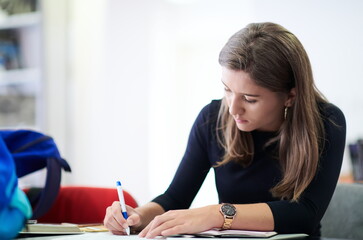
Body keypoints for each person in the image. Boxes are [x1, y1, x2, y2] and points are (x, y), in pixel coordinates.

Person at [103, 22, 346, 238]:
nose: (233, 109)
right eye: (227, 90)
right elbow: (175, 198)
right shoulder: (211, 118)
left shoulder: (326, 122)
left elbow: (306, 213)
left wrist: (219, 214)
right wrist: (137, 217)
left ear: (290, 96)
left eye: (250, 99)